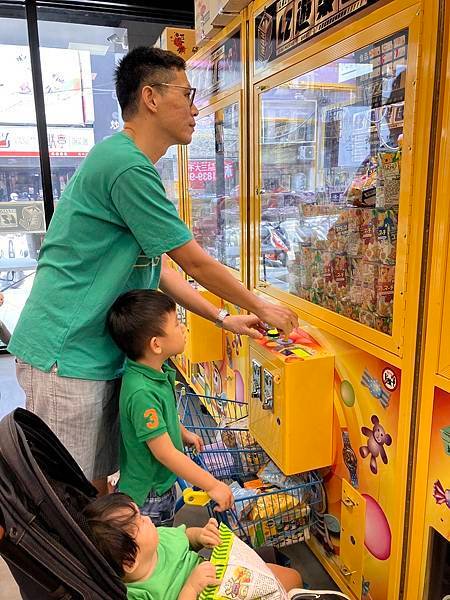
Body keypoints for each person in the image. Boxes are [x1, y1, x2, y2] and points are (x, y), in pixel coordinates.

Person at [9, 47, 298, 495]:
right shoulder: (125, 166)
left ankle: (104, 562)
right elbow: (193, 260)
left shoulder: (129, 163)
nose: (195, 107)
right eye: (187, 93)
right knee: (65, 495)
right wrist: (261, 305)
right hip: (66, 354)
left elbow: (159, 267)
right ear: (151, 97)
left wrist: (225, 318)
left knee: (96, 486)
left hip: (93, 350)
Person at [107, 289, 233, 524]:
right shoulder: (142, 393)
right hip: (149, 496)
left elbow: (166, 414)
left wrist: (182, 432)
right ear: (156, 344)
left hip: (160, 484)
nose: (184, 328)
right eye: (177, 324)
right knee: (157, 550)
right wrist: (212, 484)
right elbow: (164, 453)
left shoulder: (154, 372)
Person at [83, 492, 303, 600]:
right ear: (129, 561)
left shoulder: (161, 537)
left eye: (140, 514)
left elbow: (186, 536)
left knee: (291, 577)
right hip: (208, 593)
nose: (148, 519)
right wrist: (190, 588)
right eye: (138, 523)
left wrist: (201, 536)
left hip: (224, 576)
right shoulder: (137, 593)